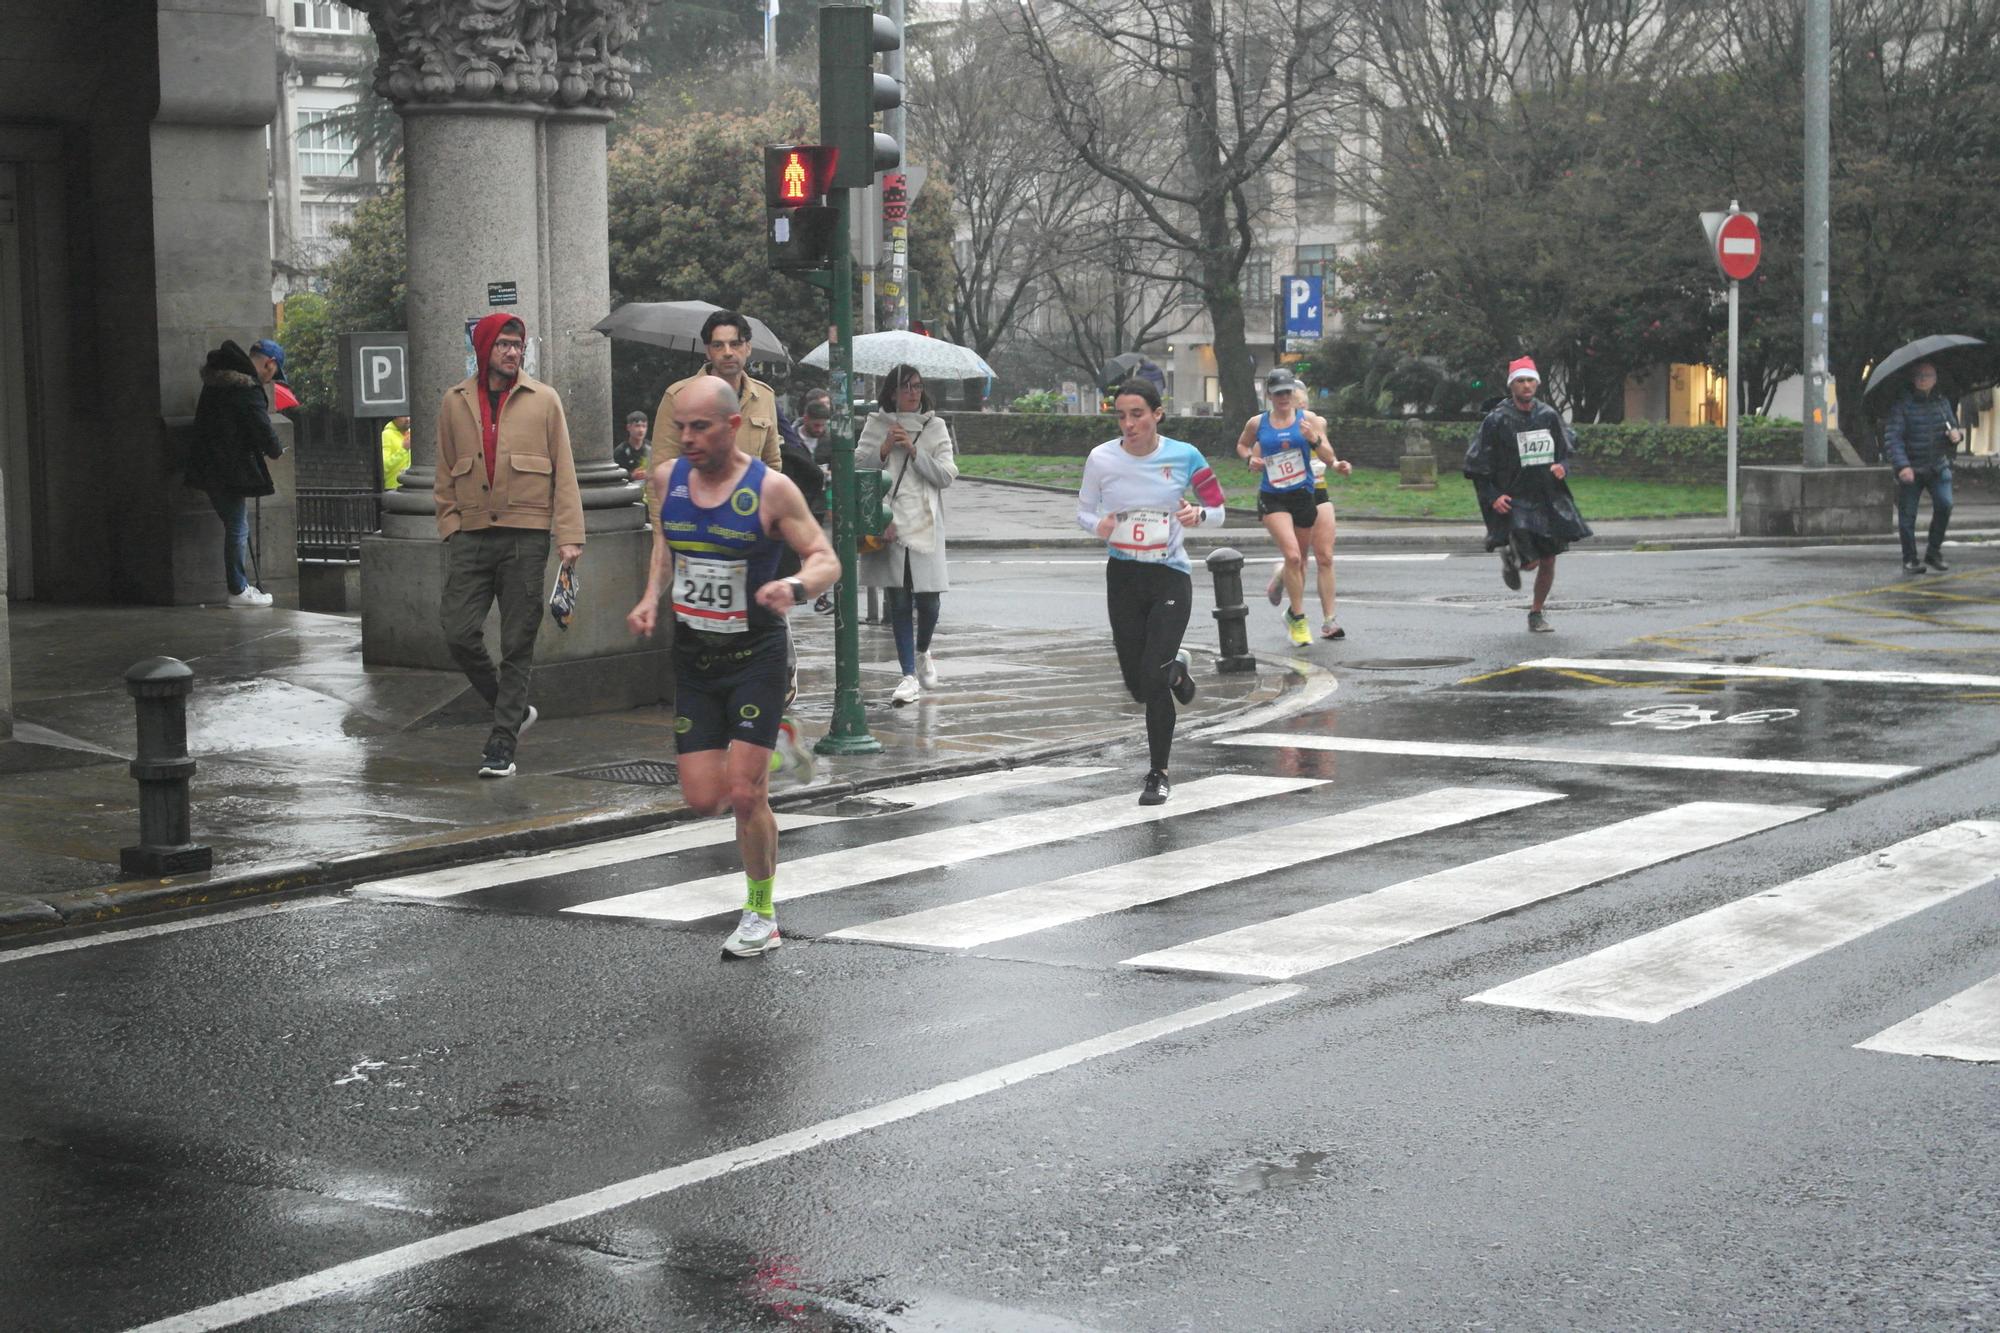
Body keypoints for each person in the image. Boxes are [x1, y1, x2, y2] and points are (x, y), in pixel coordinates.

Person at [627, 375, 839, 958]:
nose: (687, 439)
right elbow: (666, 546)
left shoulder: (771, 490)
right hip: (695, 658)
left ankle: (761, 913)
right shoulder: (668, 479)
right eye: (681, 429)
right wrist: (651, 597)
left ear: (732, 425)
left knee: (746, 794)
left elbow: (824, 558)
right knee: (703, 798)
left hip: (757, 656)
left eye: (699, 427)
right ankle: (778, 739)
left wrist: (793, 586)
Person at [434, 313, 584, 778]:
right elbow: (443, 472)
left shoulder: (544, 400)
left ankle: (502, 743)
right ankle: (512, 710)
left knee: (518, 642)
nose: (512, 352)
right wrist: (451, 525)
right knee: (458, 632)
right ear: (483, 348)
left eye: (517, 344)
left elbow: (564, 469)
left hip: (527, 535)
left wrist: (569, 536)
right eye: (502, 344)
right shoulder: (454, 402)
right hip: (472, 535)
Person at [1077, 379, 1227, 805]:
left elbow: (1218, 506)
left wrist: (1199, 513)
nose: (1128, 423)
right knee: (1138, 684)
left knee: (1152, 678)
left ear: (1157, 414)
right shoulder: (1101, 459)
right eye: (1121, 415)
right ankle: (1177, 669)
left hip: (1169, 576)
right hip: (1123, 577)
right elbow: (1084, 512)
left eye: (1137, 414)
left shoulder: (1185, 455)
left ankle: (1158, 772)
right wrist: (1099, 526)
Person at [1464, 357, 1591, 633]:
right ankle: (1513, 557)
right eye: (1520, 381)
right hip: (1516, 497)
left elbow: (1566, 448)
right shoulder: (1497, 420)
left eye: (1530, 380)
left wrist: (1562, 466)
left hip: (1547, 496)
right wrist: (1493, 495)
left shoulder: (1547, 415)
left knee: (1549, 559)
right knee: (1531, 563)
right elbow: (1476, 464)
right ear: (1512, 386)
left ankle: (1536, 612)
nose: (1526, 385)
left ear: (1537, 383)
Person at [856, 364, 957, 705]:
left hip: (925, 522)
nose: (913, 392)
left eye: (917, 386)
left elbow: (946, 475)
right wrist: (884, 447)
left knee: (928, 601)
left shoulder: (935, 426)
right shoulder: (876, 424)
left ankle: (924, 649)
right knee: (898, 600)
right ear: (891, 393)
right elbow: (859, 468)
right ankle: (908, 675)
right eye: (905, 387)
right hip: (890, 523)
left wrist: (914, 451)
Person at [1237, 367, 1347, 646]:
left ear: (1295, 395)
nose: (1284, 397)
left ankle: (1315, 614)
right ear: (1270, 396)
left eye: (1287, 392)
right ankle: (1299, 618)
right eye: (1278, 393)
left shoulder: (1308, 420)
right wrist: (1250, 459)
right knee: (1294, 556)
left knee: (1312, 558)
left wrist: (1314, 440)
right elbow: (1243, 446)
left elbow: (1328, 454)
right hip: (1273, 496)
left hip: (1304, 494)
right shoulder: (1257, 423)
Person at [184, 340, 284, 608]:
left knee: (236, 523)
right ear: (269, 363)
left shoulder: (216, 382)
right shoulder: (246, 389)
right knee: (238, 526)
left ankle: (240, 586)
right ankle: (238, 589)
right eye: (272, 374)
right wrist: (275, 450)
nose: (268, 380)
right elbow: (261, 428)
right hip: (228, 469)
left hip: (208, 465)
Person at [651, 310, 782, 476]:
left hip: (749, 499)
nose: (727, 352)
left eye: (735, 344)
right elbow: (660, 467)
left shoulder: (764, 396)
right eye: (718, 345)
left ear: (748, 348)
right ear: (707, 351)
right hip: (695, 498)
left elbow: (772, 464)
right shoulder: (677, 396)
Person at [1883, 361, 1961, 574]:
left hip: (1937, 466)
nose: (1923, 379)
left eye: (1928, 375)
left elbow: (1952, 428)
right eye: (1919, 375)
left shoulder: (1941, 402)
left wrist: (1955, 436)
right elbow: (1893, 438)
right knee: (1908, 516)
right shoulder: (1902, 405)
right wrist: (1902, 466)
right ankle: (1910, 559)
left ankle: (1933, 551)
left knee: (1945, 505)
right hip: (1912, 468)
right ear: (1913, 379)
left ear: (1935, 379)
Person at [249, 337, 299, 412]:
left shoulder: (229, 380)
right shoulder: (253, 395)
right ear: (270, 364)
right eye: (274, 374)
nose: (269, 381)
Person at [613, 410, 650, 480]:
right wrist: (631, 476)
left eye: (644, 426)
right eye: (637, 426)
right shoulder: (621, 451)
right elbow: (615, 475)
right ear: (628, 427)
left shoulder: (651, 449)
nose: (641, 430)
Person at [381, 415, 412, 489]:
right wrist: (403, 450)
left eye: (409, 415)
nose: (408, 419)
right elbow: (384, 466)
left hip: (411, 488)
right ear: (394, 417)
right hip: (393, 489)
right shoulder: (386, 435)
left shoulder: (412, 433)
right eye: (403, 416)